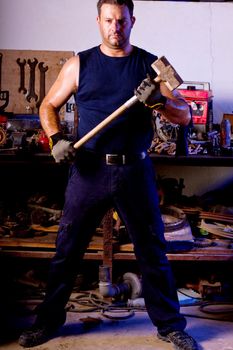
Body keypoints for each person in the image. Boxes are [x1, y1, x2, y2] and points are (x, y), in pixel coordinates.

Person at [19, 0, 198, 349]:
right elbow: (48, 106)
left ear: (133, 21)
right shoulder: (79, 64)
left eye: (122, 20)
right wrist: (56, 139)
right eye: (109, 20)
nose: (115, 27)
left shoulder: (154, 66)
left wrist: (159, 102)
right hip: (89, 169)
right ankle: (48, 322)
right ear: (98, 21)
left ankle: (170, 326)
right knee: (67, 250)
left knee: (152, 252)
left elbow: (185, 116)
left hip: (135, 169)